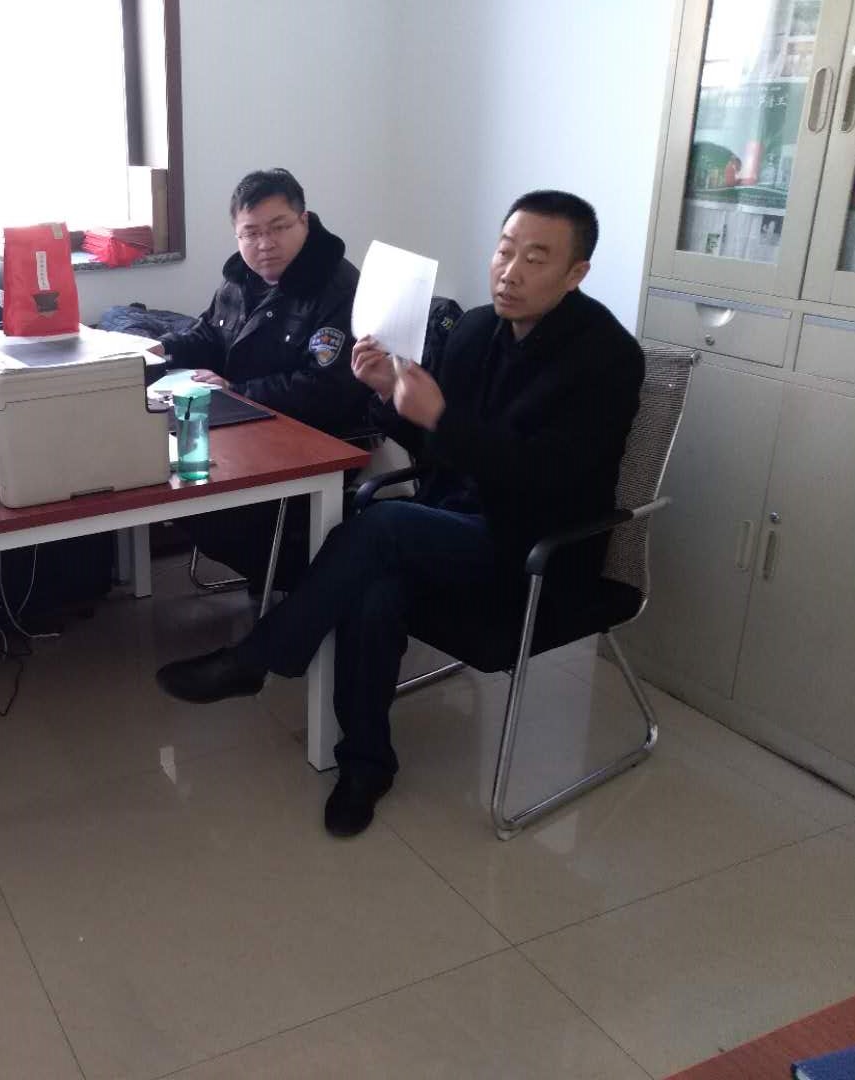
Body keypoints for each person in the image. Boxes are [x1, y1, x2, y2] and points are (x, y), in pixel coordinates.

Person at [155, 191, 644, 839]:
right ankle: (366, 765)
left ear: (576, 272)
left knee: (380, 527)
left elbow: (544, 475)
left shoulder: (606, 358)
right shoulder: (475, 330)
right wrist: (389, 395)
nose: (509, 272)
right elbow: (430, 447)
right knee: (375, 582)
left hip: (535, 548)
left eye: (535, 259)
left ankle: (260, 657)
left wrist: (441, 417)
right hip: (454, 523)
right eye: (504, 251)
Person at [160, 168, 372, 590]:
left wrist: (236, 392)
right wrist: (159, 349)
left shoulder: (338, 287)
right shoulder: (240, 277)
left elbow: (326, 388)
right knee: (175, 487)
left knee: (200, 502)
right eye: (251, 233)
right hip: (243, 429)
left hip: (310, 440)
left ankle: (303, 585)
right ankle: (279, 579)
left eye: (279, 228)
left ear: (304, 221)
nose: (265, 244)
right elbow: (210, 335)